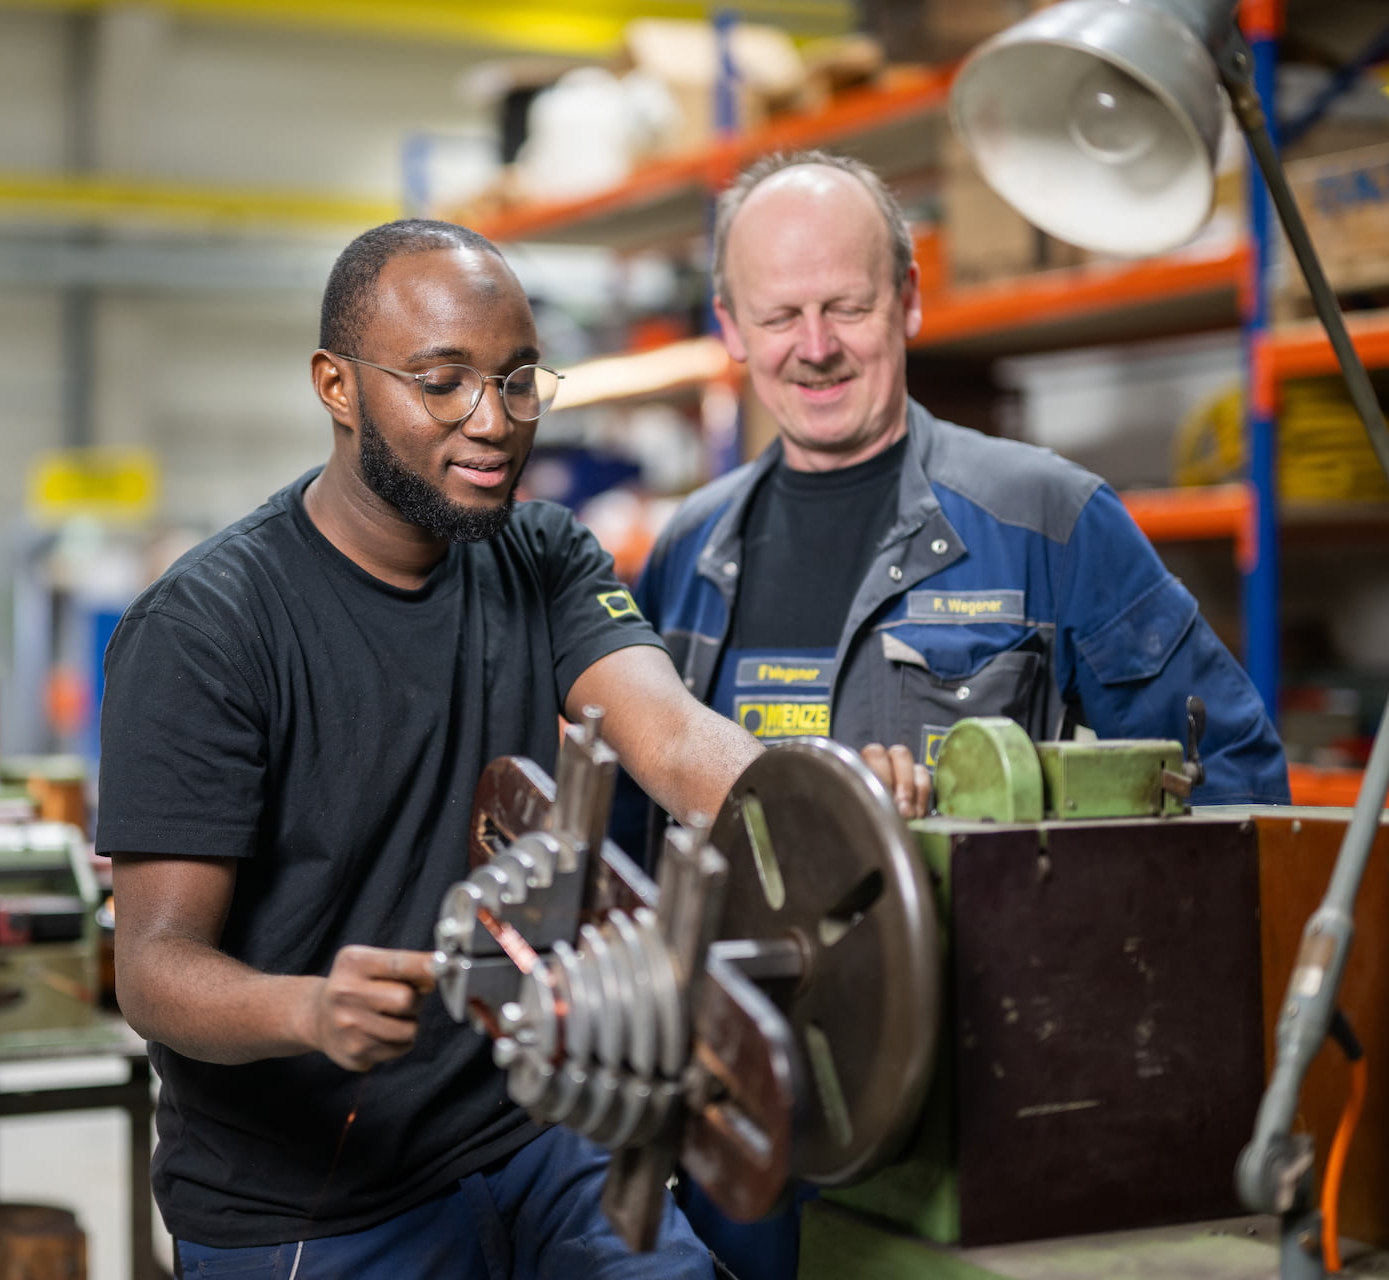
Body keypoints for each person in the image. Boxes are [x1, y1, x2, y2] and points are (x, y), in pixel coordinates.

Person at [97, 218, 928, 1280]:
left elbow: (672, 739)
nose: (493, 421)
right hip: (315, 1202)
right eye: (442, 382)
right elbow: (156, 970)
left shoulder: (539, 553)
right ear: (337, 385)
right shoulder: (209, 627)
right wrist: (308, 1006)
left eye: (520, 379)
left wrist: (832, 811)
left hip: (534, 1125)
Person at [630, 151, 1292, 1277]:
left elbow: (1234, 788)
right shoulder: (693, 548)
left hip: (975, 1103)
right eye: (780, 313)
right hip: (740, 1100)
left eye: (846, 304)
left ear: (909, 299)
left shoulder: (1047, 517)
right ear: (731, 327)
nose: (816, 345)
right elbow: (640, 834)